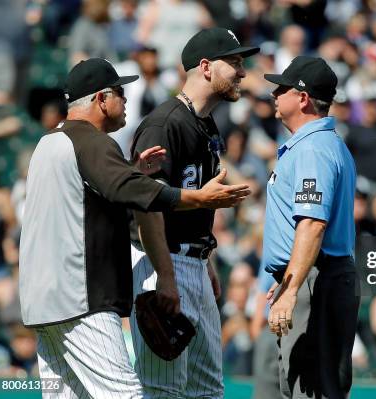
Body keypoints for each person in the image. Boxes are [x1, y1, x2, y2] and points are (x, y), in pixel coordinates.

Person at [19, 58, 250, 398]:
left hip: (41, 304)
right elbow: (132, 192)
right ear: (101, 99)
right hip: (81, 300)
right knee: (126, 394)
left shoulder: (49, 142)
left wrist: (132, 171)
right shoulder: (93, 142)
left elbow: (93, 196)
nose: (126, 100)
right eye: (120, 93)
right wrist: (198, 198)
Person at [129, 27, 259, 398]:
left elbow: (199, 202)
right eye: (234, 62)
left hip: (194, 262)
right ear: (206, 66)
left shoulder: (204, 122)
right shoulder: (164, 124)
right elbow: (147, 206)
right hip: (162, 262)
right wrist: (166, 277)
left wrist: (208, 260)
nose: (242, 72)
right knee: (162, 390)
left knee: (208, 390)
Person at [262, 56, 359, 399]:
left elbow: (313, 224)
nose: (274, 93)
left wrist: (292, 287)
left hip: (319, 279)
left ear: (302, 98)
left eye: (282, 88)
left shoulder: (313, 149)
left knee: (312, 390)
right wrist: (290, 279)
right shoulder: (319, 145)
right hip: (314, 276)